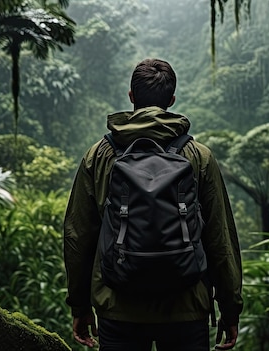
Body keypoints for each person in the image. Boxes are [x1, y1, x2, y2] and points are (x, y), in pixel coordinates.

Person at [63, 58, 243, 351]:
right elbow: (220, 238)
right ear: (171, 100)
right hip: (187, 306)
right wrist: (230, 307)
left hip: (118, 305)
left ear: (131, 96)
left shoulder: (99, 156)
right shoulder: (199, 157)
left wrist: (80, 305)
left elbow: (77, 235)